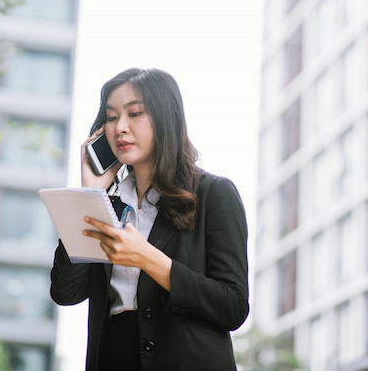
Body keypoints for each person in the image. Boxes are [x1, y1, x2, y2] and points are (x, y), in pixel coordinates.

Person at [50, 68, 249, 371]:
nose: (120, 128)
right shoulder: (107, 205)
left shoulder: (213, 194)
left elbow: (233, 306)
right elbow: (66, 292)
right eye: (112, 116)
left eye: (135, 113)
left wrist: (147, 258)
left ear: (165, 118)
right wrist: (89, 194)